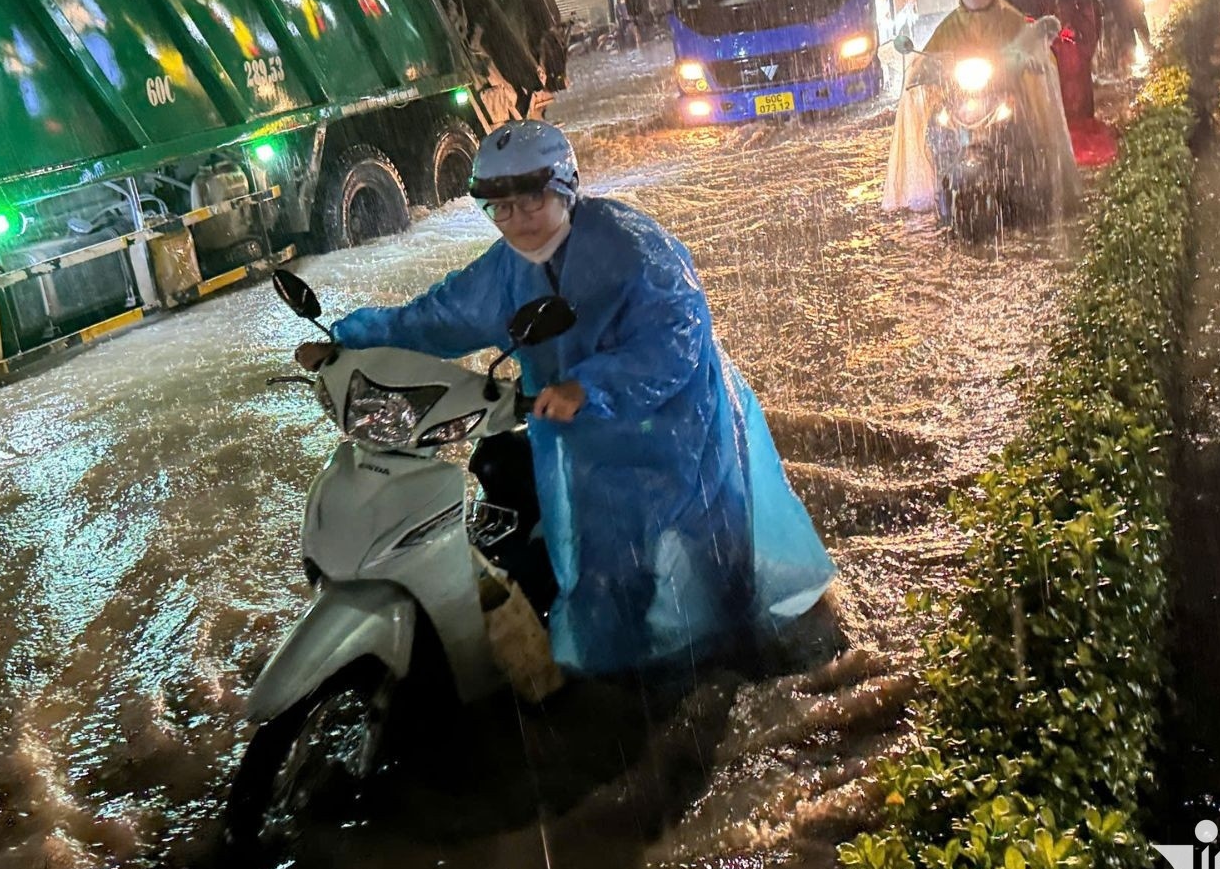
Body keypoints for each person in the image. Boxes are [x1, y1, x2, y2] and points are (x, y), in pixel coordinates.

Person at [295, 120, 835, 676]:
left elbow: (677, 337)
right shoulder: (507, 270)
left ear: (566, 188)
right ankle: (626, 699)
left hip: (681, 434)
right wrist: (345, 342)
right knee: (607, 580)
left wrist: (591, 385)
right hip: (590, 452)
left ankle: (754, 675)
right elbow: (437, 317)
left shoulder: (634, 246)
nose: (516, 221)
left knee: (720, 567)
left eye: (531, 201)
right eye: (499, 208)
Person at [885, 0, 1080, 211]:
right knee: (937, 127)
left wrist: (1027, 59)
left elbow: (1027, 44)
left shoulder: (1009, 18)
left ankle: (1032, 185)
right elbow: (931, 54)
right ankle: (941, 184)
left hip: (1001, 94)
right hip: (960, 98)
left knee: (1023, 127)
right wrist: (921, 71)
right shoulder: (950, 25)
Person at [1003, 0, 1100, 125]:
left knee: (1073, 100)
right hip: (1027, 54)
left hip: (1064, 51)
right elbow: (1000, 16)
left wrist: (1075, 37)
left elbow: (1086, 10)